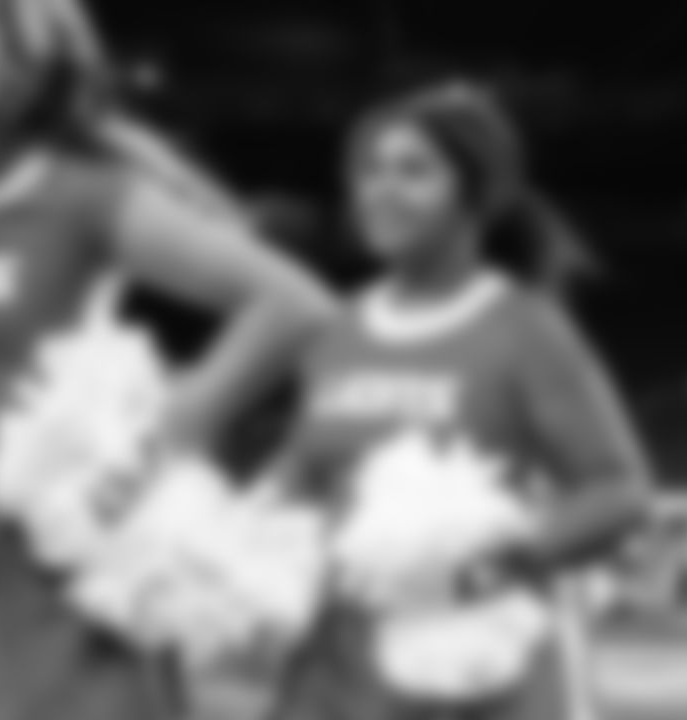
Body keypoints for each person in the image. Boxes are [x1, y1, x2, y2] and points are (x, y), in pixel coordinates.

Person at [0, 0, 336, 719]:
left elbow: (293, 305)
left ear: (10, 71)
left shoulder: (77, 197)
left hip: (20, 552)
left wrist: (154, 448)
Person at [268, 81, 654, 720]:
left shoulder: (524, 328)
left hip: (477, 660)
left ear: (475, 194)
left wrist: (483, 568)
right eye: (368, 171)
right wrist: (239, 539)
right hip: (337, 666)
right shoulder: (334, 332)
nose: (381, 190)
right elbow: (303, 470)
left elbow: (619, 490)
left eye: (413, 171)